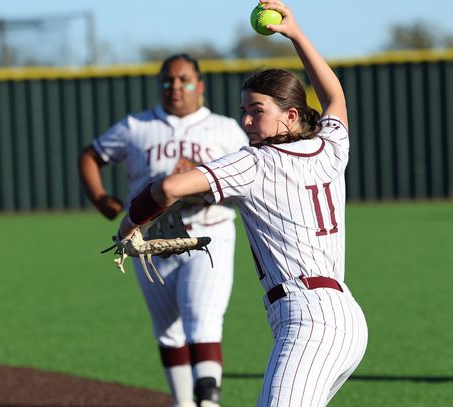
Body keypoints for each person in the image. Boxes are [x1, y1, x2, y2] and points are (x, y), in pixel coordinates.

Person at [116, 1, 368, 405]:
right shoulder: (329, 146)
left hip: (308, 318)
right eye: (244, 112)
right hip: (346, 319)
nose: (247, 121)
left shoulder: (253, 162)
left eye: (257, 111)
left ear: (290, 115)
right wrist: (297, 34)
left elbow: (166, 189)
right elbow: (334, 95)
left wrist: (128, 225)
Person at [78, 53, 248, 407]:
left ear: (199, 85)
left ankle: (209, 401)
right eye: (167, 80)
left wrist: (201, 180)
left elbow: (248, 185)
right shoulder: (137, 126)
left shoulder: (225, 129)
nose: (175, 87)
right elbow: (90, 155)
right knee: (169, 332)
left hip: (207, 236)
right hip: (148, 243)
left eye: (184, 80)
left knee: (203, 321)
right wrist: (100, 199)